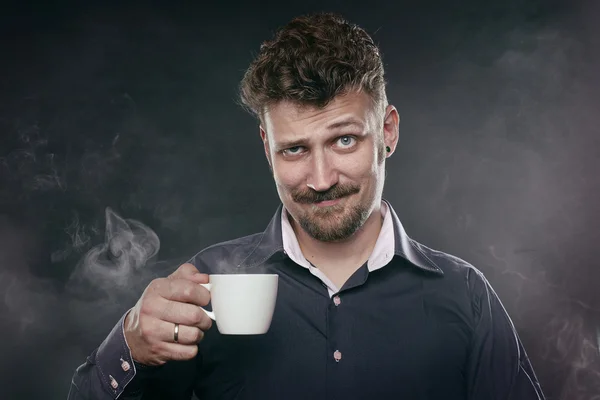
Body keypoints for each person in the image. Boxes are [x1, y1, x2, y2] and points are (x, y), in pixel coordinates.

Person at [68, 12, 546, 400]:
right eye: (294, 149)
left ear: (388, 131)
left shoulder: (465, 296)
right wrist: (130, 344)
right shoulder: (206, 286)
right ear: (266, 147)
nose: (320, 180)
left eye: (343, 140)